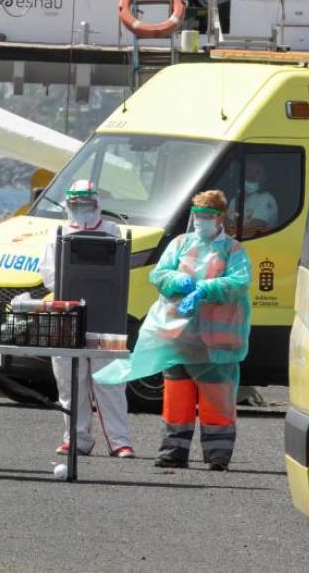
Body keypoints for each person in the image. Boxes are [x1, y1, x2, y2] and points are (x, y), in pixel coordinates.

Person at [95, 190, 251, 471]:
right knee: (177, 398)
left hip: (215, 343)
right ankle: (173, 452)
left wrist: (205, 289)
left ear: (220, 217)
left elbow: (239, 282)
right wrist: (176, 279)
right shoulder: (180, 243)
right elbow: (159, 274)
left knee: (216, 399)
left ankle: (218, 455)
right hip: (177, 337)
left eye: (207, 215)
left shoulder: (233, 249)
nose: (201, 220)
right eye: (197, 214)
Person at [38, 179, 135, 458]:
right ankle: (76, 438)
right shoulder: (56, 233)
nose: (81, 208)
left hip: (108, 317)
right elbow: (48, 275)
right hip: (67, 316)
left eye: (87, 203)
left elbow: (120, 272)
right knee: (70, 383)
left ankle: (120, 441)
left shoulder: (113, 231)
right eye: (76, 203)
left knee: (111, 383)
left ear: (97, 204)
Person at [230, 158, 279, 237]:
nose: (251, 176)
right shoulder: (234, 200)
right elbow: (228, 226)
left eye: (257, 173)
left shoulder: (266, 199)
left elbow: (252, 231)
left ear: (264, 178)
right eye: (249, 171)